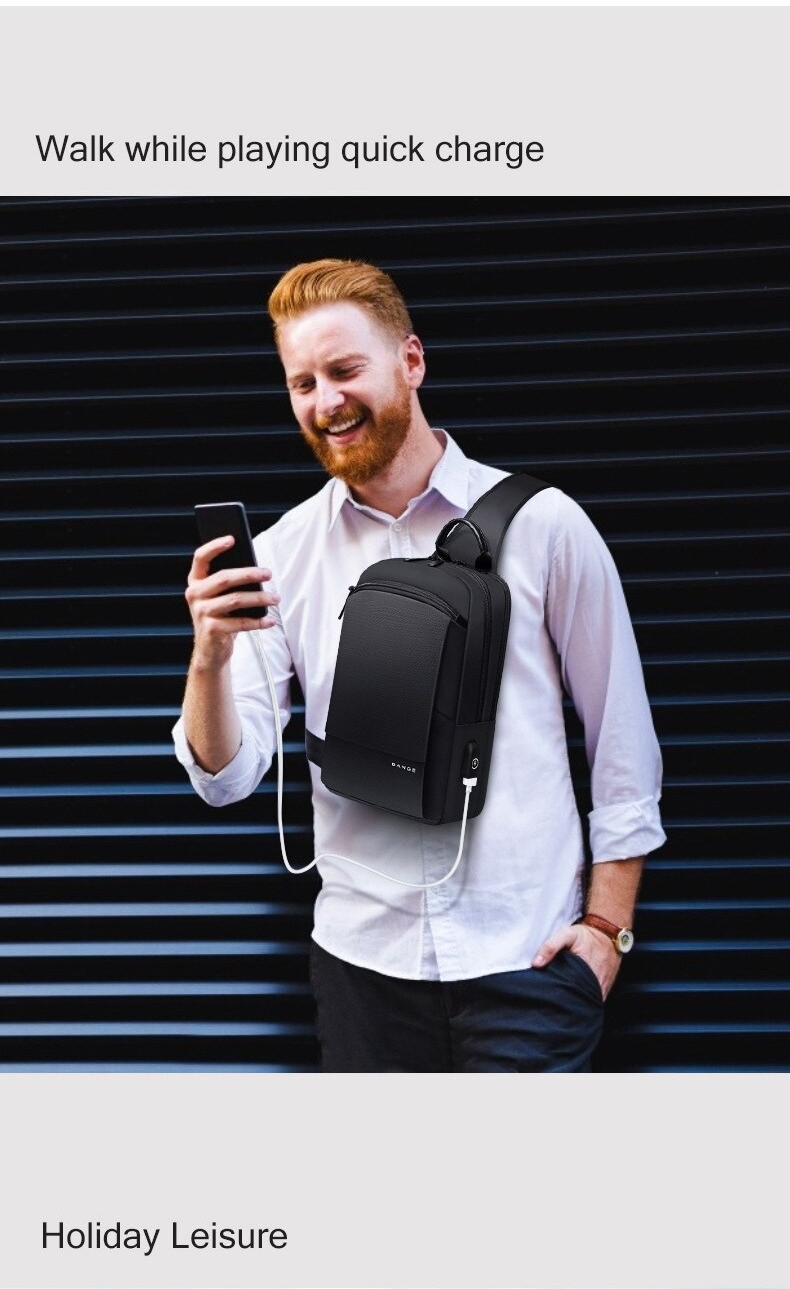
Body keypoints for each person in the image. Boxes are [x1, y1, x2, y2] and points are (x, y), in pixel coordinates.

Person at [172, 258, 666, 1072]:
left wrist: (606, 932)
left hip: (527, 962)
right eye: (302, 383)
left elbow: (623, 742)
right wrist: (210, 655)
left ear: (411, 361)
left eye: (345, 370)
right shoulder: (285, 555)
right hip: (362, 973)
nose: (326, 402)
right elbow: (227, 777)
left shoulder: (546, 526)